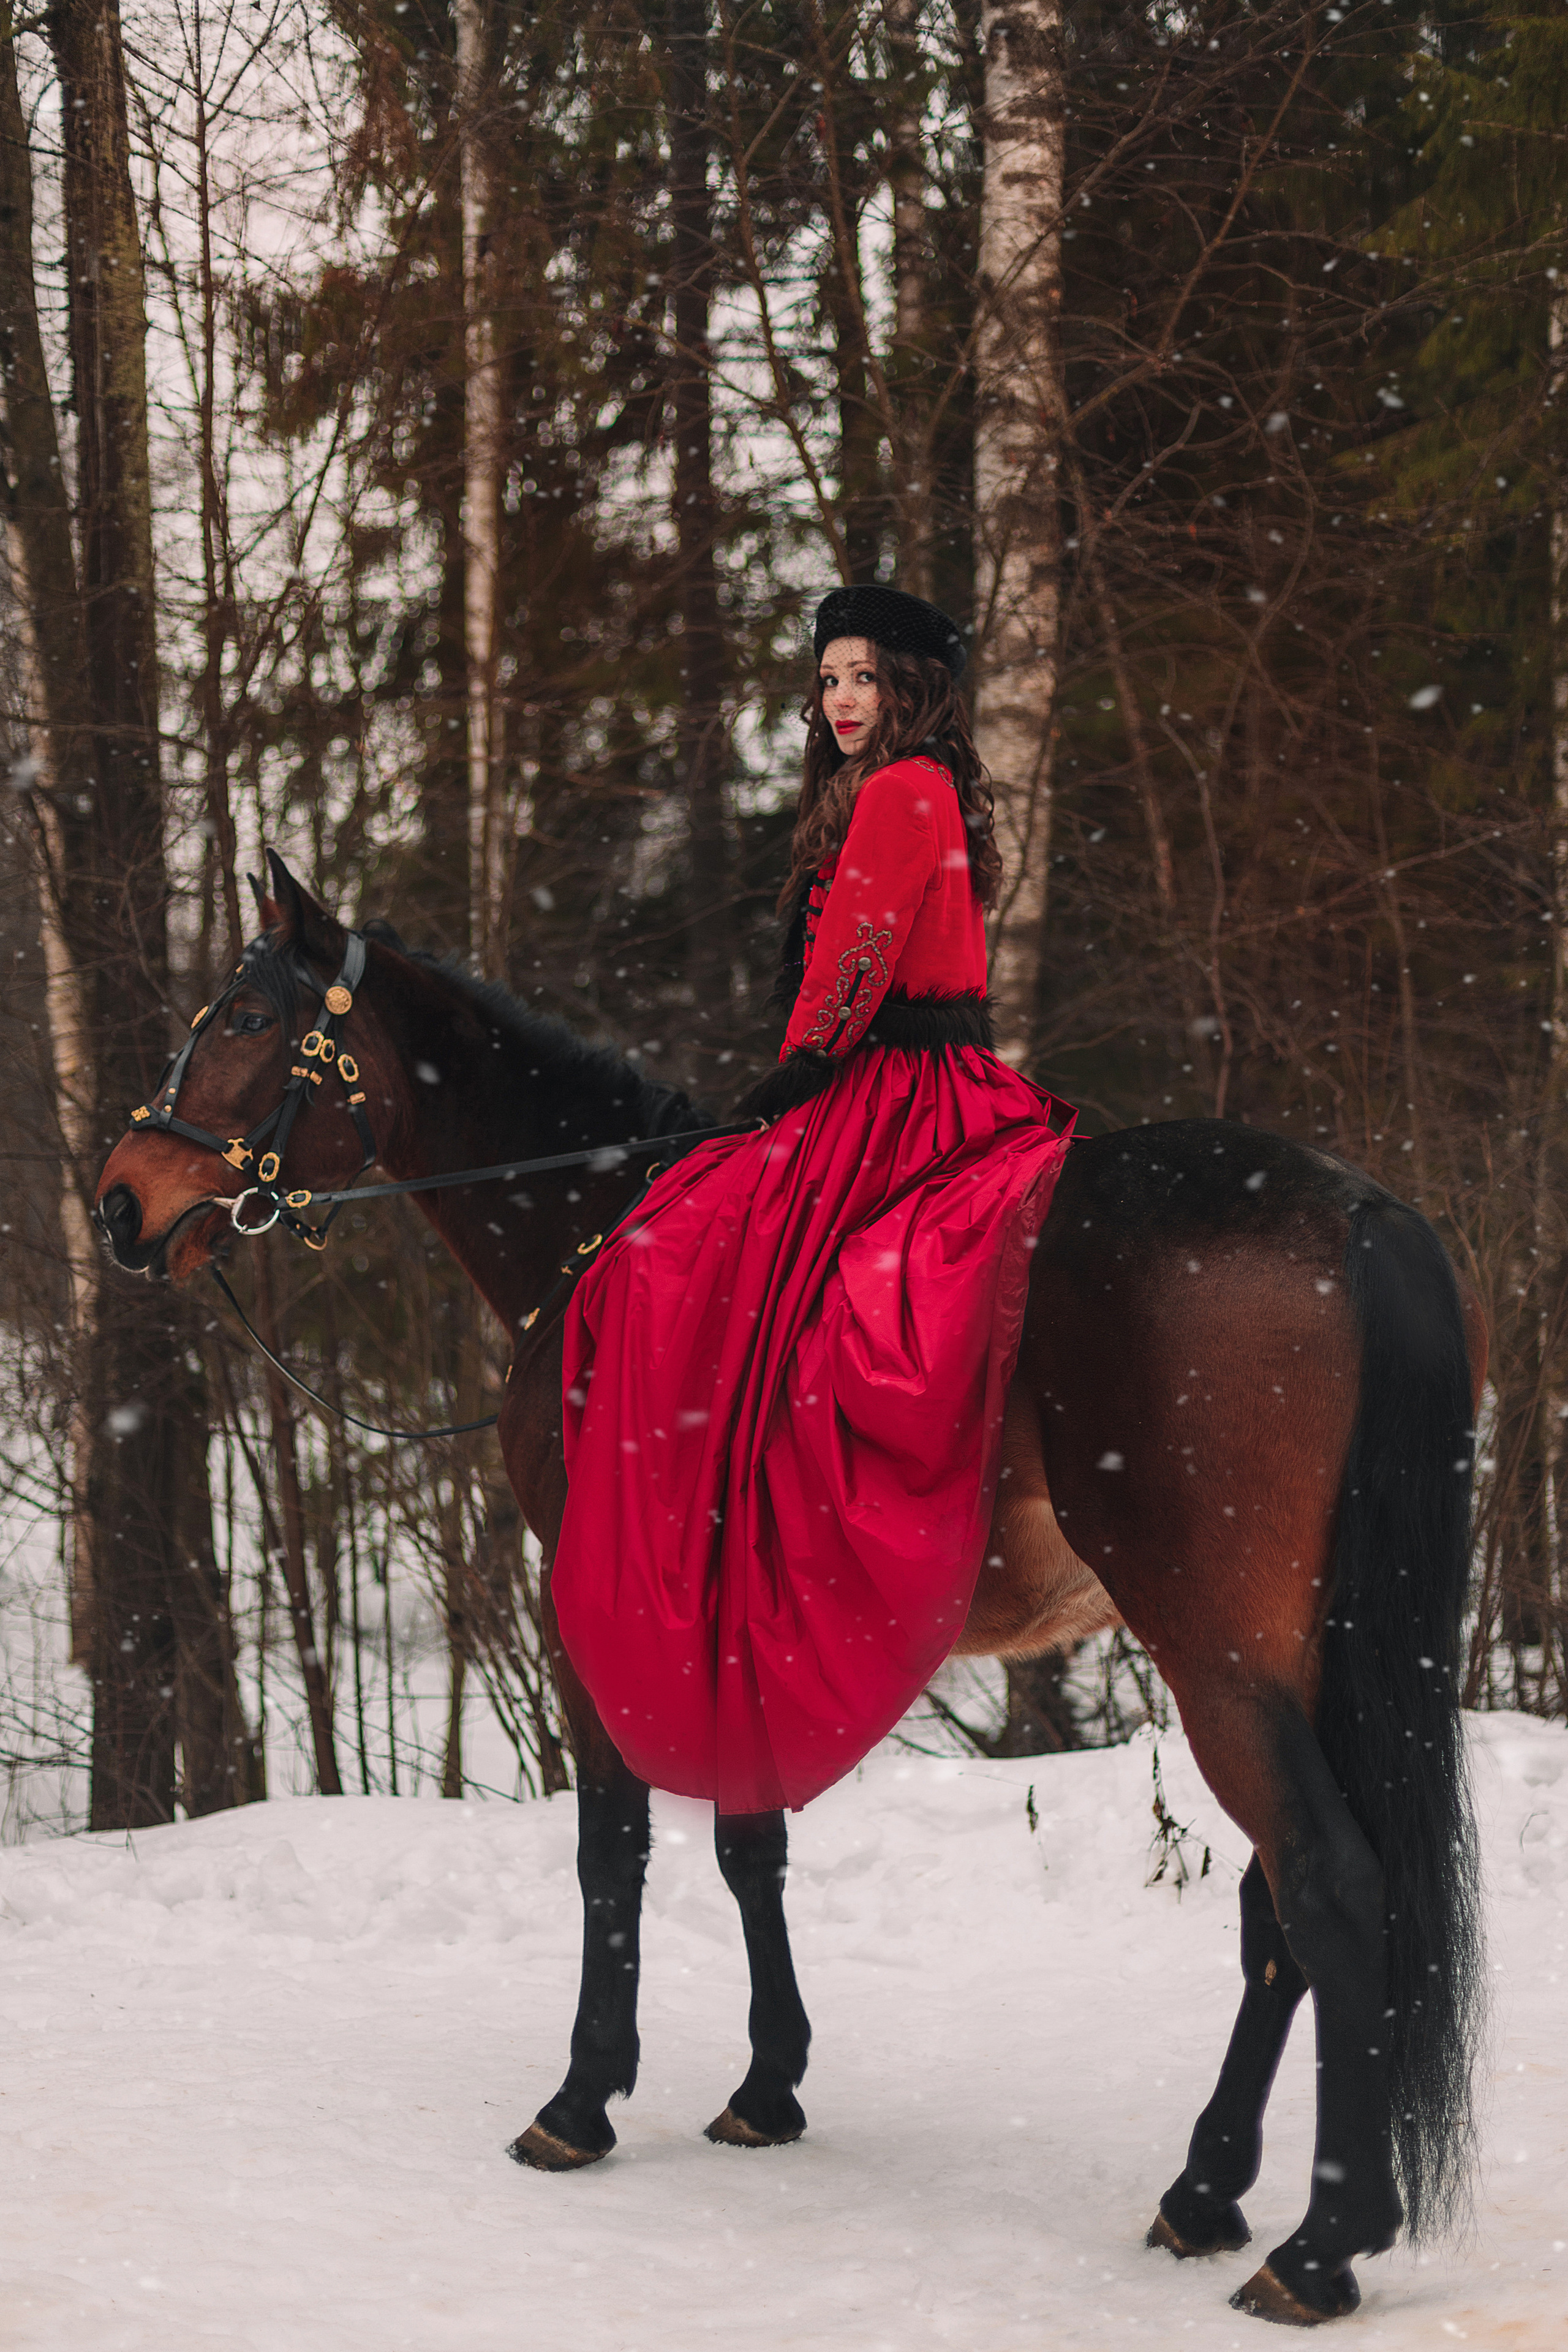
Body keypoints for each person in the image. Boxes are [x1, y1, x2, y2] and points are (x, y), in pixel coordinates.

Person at [551, 584, 1075, 1814]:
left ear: (912, 686)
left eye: (863, 676)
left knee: (666, 1252)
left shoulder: (900, 791)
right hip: (928, 1076)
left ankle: (713, 1540)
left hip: (890, 1087)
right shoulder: (923, 786)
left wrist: (798, 1068)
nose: (840, 699)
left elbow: (858, 955)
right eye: (828, 679)